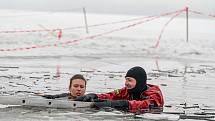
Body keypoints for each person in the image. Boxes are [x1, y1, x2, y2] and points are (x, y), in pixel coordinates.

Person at [75, 66, 164, 113]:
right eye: (126, 79)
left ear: (139, 82)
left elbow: (147, 104)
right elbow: (112, 95)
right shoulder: (127, 90)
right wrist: (95, 96)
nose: (126, 83)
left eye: (129, 80)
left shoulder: (154, 93)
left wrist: (122, 103)